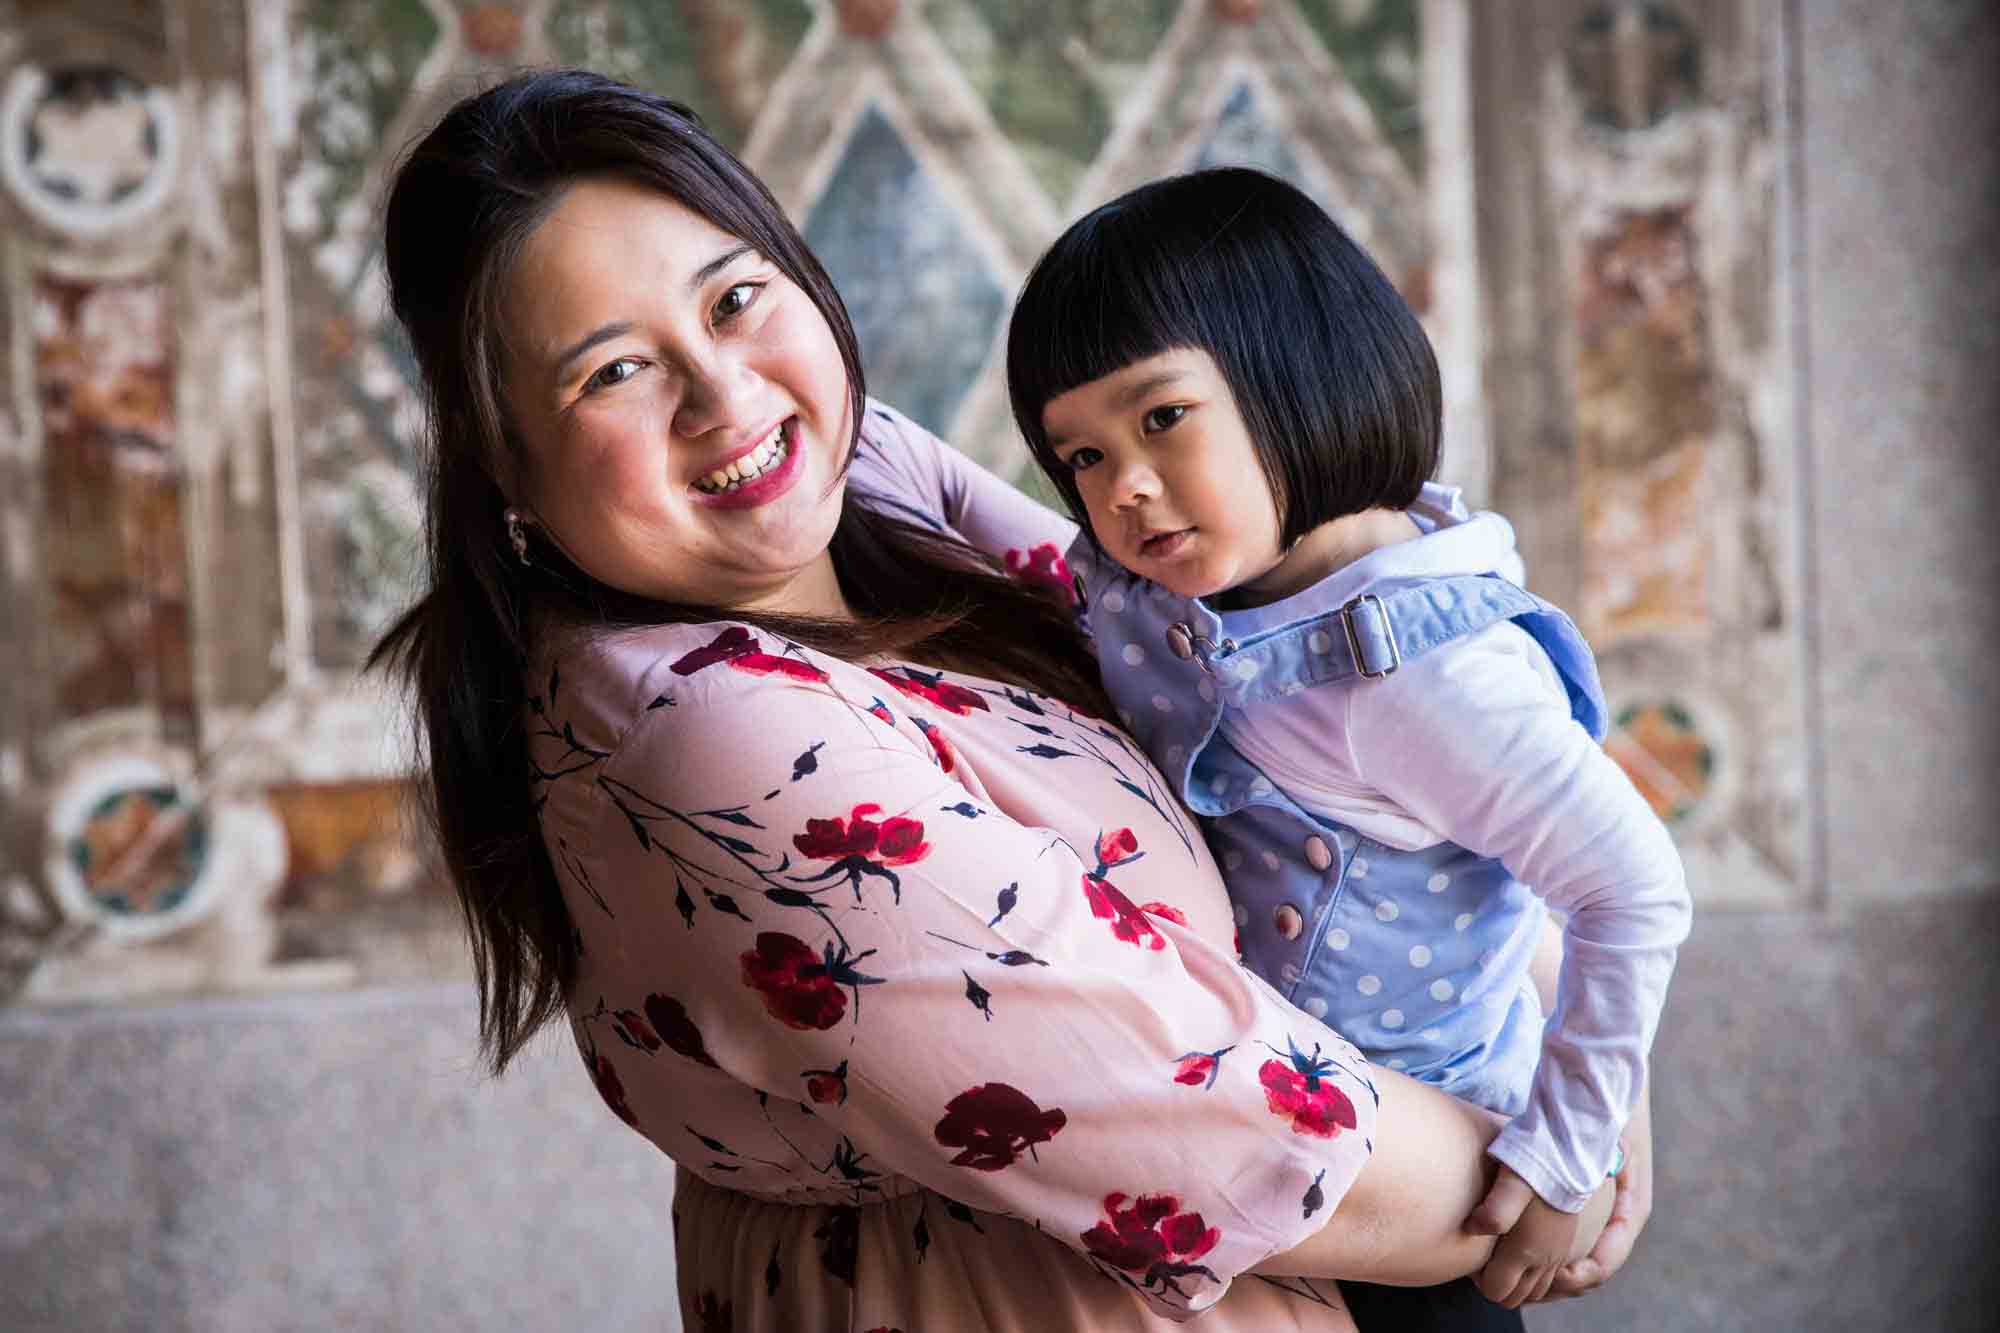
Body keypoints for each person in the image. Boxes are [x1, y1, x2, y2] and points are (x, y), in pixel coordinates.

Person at [372, 70, 1636, 1331]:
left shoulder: (858, 475)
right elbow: (1248, 1144)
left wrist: (1585, 1070)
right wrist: (1564, 1150)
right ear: (508, 471)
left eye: (737, 297)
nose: (726, 396)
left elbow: (1234, 679)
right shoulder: (701, 728)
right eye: (613, 375)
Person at [1004, 167, 1692, 1314]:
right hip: (1265, 1168)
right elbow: (964, 513)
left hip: (1427, 1193)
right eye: (1080, 456)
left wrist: (1568, 1150)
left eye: (1161, 417)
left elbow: (1631, 887)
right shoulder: (1211, 588)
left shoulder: (1425, 674)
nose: (1122, 487)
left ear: (1300, 365)